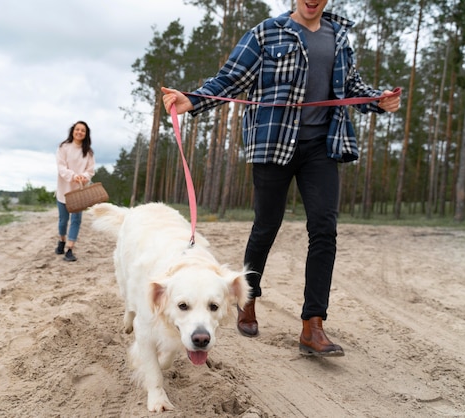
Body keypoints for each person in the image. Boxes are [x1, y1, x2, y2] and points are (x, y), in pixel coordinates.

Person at [162, 0, 401, 357]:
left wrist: (378, 100)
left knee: (324, 228)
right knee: (266, 226)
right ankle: (247, 300)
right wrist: (192, 101)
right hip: (272, 144)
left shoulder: (339, 36)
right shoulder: (266, 32)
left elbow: (350, 87)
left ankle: (313, 325)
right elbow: (230, 79)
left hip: (323, 146)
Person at [55, 121, 96, 262]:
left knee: (76, 220)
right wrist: (73, 176)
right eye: (77, 129)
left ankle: (70, 249)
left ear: (86, 134)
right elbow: (61, 167)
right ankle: (62, 240)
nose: (80, 132)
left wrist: (83, 177)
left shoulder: (89, 153)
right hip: (63, 191)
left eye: (83, 130)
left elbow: (90, 171)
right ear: (73, 131)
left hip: (79, 192)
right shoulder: (63, 147)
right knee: (63, 221)